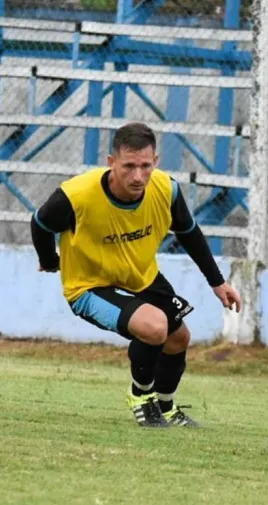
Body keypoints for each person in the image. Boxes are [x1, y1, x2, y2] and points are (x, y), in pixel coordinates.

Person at [30, 122, 242, 429]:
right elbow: (40, 223)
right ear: (111, 162)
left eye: (145, 166)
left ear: (155, 161)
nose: (138, 176)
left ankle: (166, 407)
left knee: (178, 339)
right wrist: (50, 260)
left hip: (142, 277)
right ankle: (140, 396)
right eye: (129, 166)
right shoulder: (76, 196)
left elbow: (189, 232)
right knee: (154, 327)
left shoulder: (166, 189)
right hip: (90, 286)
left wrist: (217, 282)